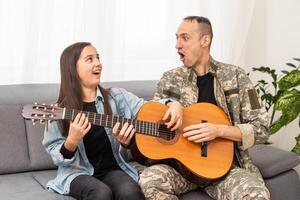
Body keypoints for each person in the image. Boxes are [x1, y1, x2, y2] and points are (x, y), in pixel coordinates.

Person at [138, 16, 271, 200]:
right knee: (150, 180)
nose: (177, 45)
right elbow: (154, 127)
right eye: (176, 38)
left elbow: (262, 130)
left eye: (184, 38)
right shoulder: (169, 80)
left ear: (205, 40)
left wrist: (219, 131)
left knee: (256, 194)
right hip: (181, 171)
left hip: (226, 171)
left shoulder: (236, 76)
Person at [42, 42, 182, 200]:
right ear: (73, 68)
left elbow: (148, 108)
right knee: (101, 193)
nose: (98, 64)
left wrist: (173, 104)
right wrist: (71, 141)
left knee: (131, 193)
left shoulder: (118, 97)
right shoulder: (59, 111)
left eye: (98, 58)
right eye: (90, 59)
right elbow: (54, 152)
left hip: (112, 169)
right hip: (77, 172)